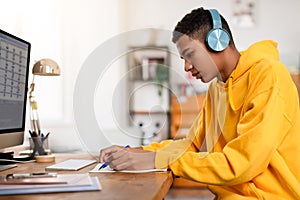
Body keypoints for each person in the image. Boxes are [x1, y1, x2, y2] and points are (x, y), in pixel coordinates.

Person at [99, 7, 300, 199]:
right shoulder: (216, 88)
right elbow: (194, 145)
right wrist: (140, 152)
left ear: (218, 42)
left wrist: (156, 160)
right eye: (183, 58)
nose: (187, 67)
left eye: (190, 54)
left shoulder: (269, 76)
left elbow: (242, 164)